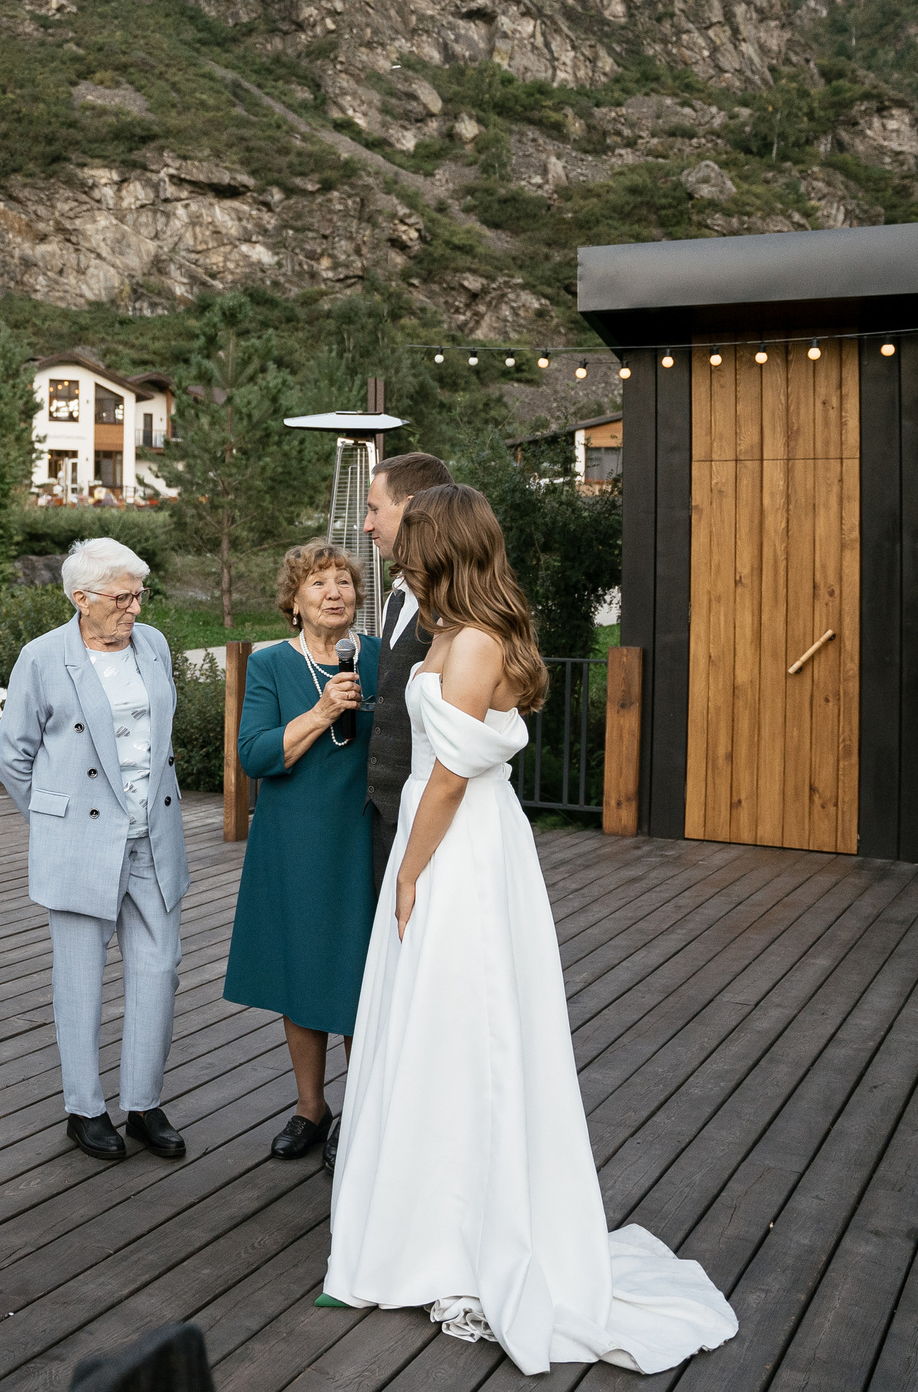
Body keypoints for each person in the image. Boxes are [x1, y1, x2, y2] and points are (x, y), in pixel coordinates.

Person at [325, 485, 737, 1374]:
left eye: (414, 541)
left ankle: (464, 1230)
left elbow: (448, 779)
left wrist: (406, 871)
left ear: (448, 548)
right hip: (450, 838)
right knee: (427, 1026)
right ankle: (418, 1218)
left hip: (459, 849)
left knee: (466, 1022)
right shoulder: (449, 629)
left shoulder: (474, 642)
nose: (399, 553)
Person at [0, 537, 190, 1162]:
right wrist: (58, 821)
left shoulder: (152, 644)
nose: (135, 606)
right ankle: (84, 1109)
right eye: (122, 596)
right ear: (81, 598)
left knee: (158, 970)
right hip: (82, 842)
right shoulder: (44, 656)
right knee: (79, 978)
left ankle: (143, 1103)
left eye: (140, 593)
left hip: (152, 836)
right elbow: (11, 755)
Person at [222, 545, 377, 1170]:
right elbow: (255, 755)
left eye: (343, 581)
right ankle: (312, 1108)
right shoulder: (270, 665)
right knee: (303, 970)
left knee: (363, 975)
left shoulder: (384, 657)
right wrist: (320, 712)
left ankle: (365, 1111)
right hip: (294, 838)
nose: (334, 592)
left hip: (367, 833)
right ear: (294, 599)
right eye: (318, 583)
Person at [362, 451, 453, 897]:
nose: (366, 525)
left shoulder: (456, 604)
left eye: (375, 509)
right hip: (386, 813)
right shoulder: (398, 596)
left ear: (414, 507)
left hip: (435, 822)